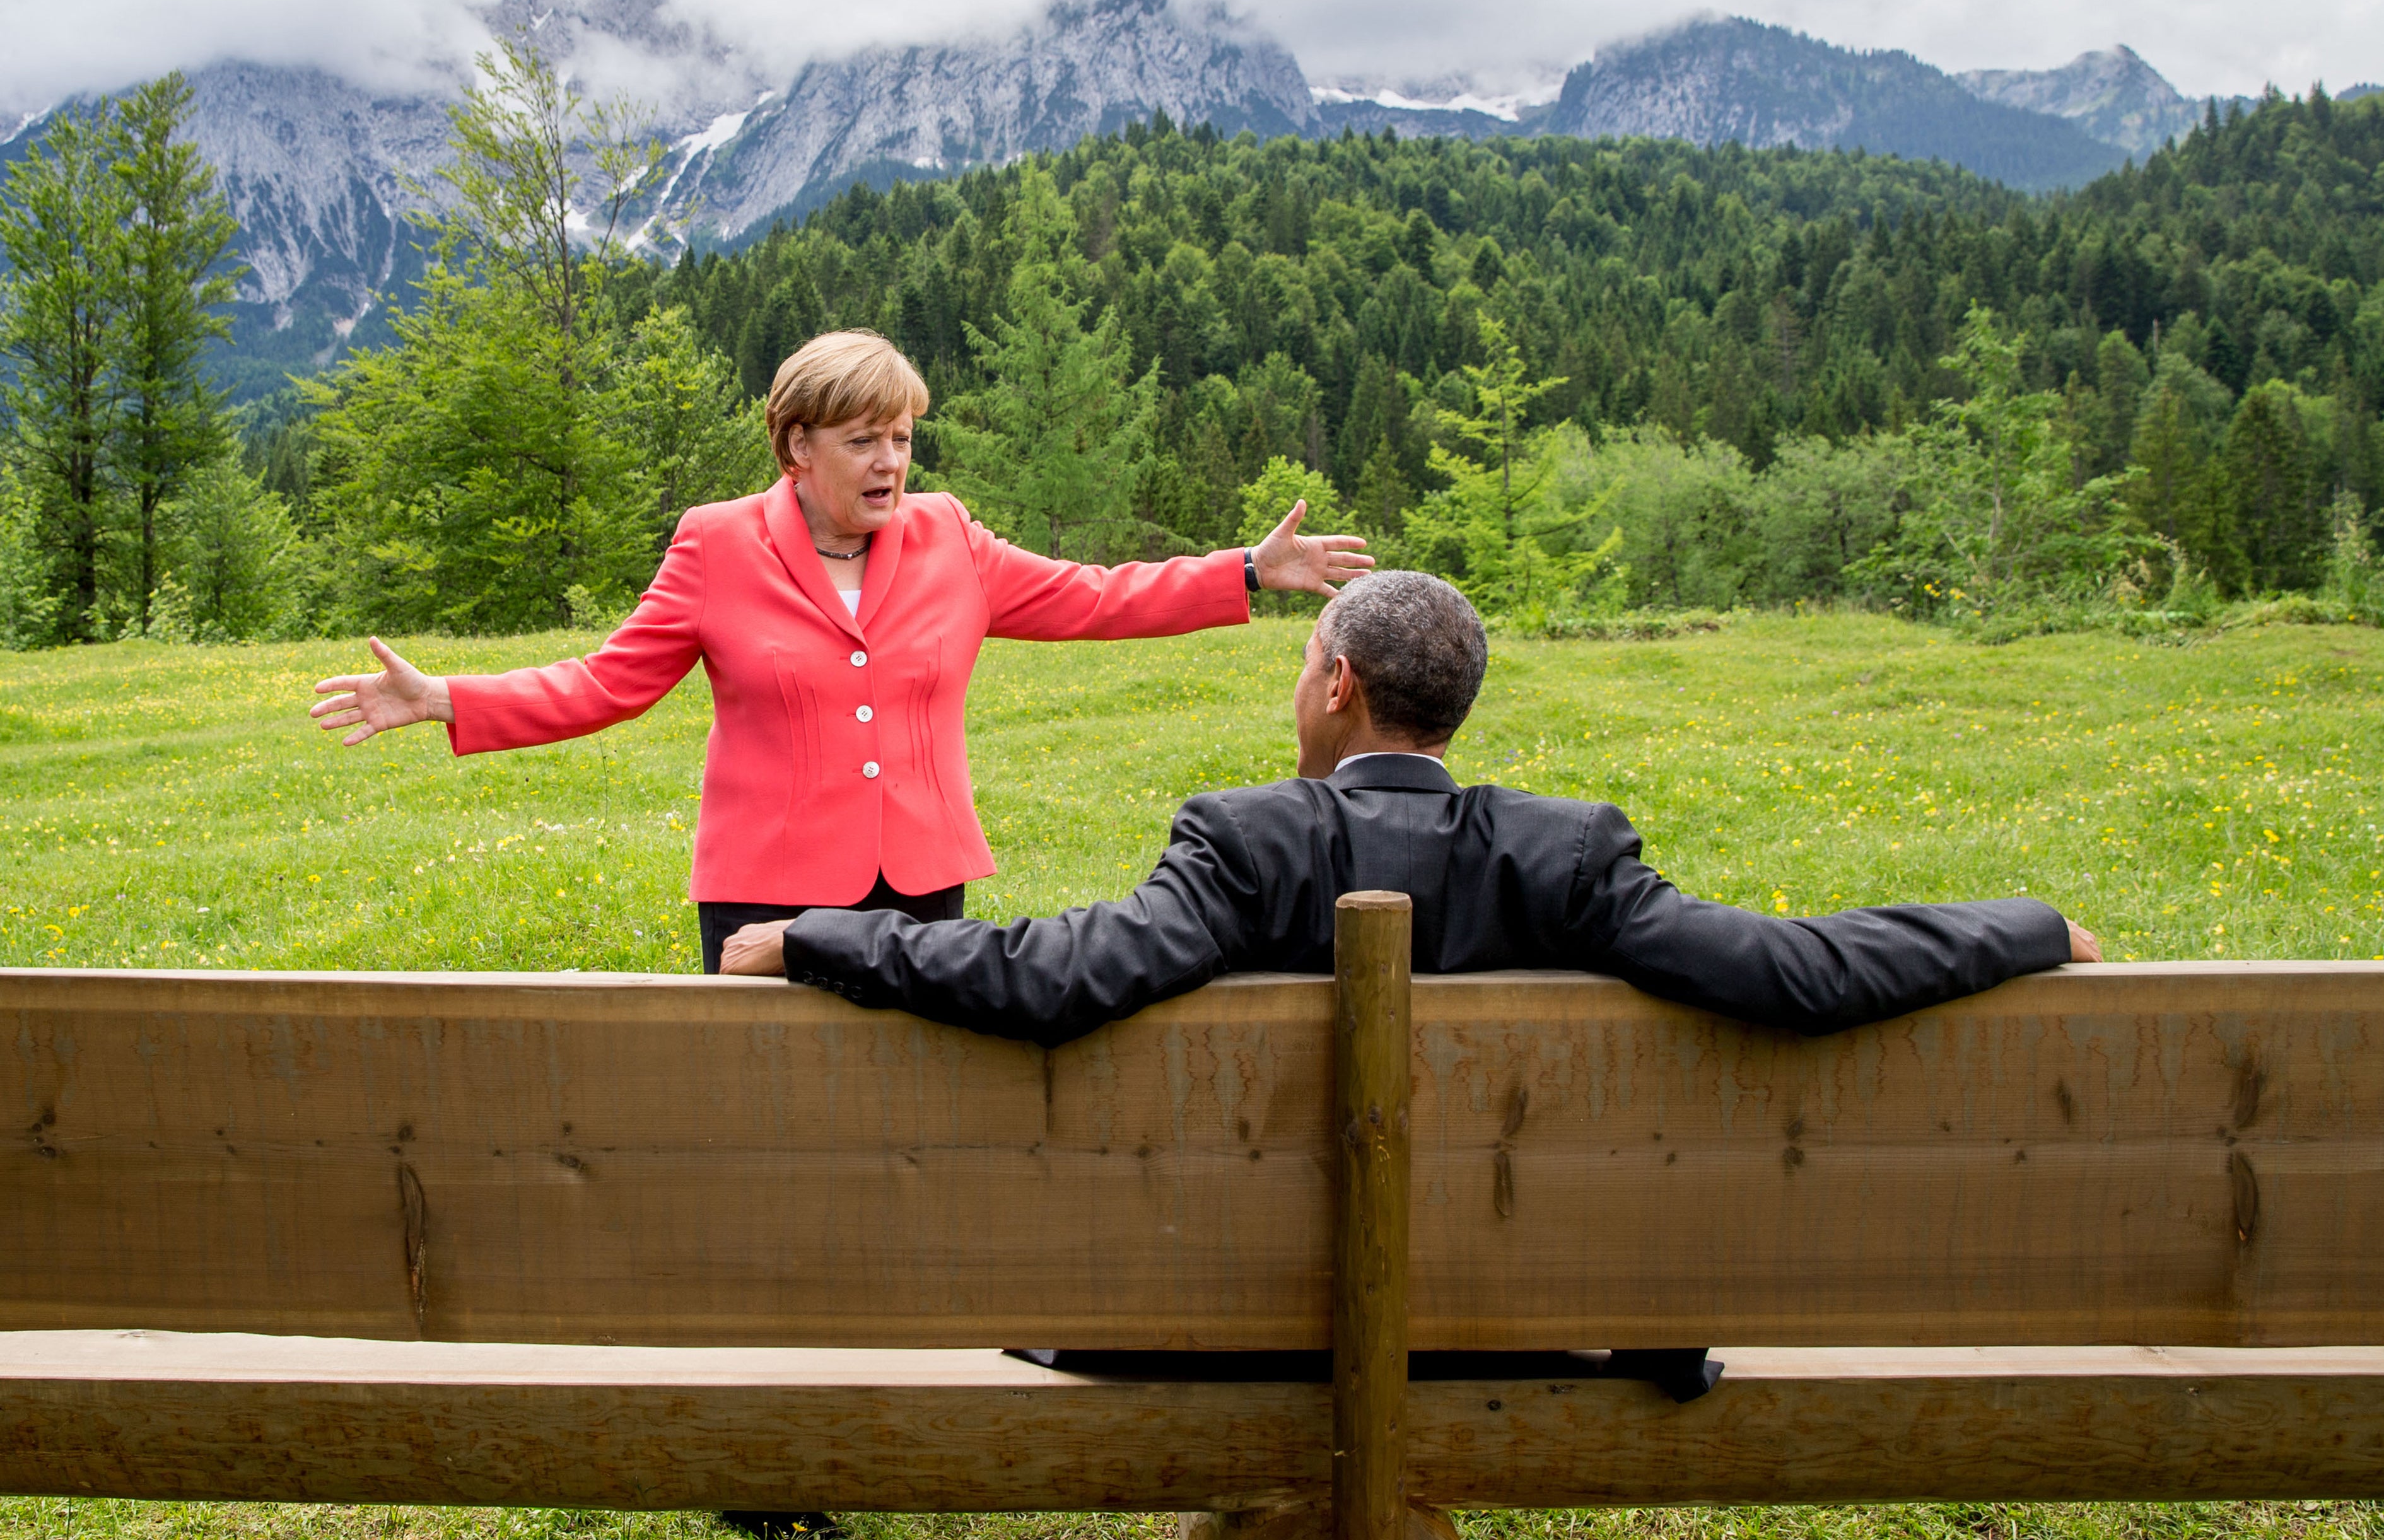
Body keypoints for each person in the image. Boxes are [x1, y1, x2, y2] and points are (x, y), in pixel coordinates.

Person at [307, 329, 1371, 972]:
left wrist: (1243, 570)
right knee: (769, 1121)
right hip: (764, 888)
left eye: (903, 438)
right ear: (797, 445)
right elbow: (606, 682)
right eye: (864, 440)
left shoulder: (951, 535)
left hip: (919, 882)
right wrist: (447, 697)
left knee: (911, 1110)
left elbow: (1091, 597)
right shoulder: (715, 544)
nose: (891, 462)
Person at [721, 569, 2098, 1042]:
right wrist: (2028, 924)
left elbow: (1056, 974)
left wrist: (821, 934)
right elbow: (1798, 969)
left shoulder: (1243, 841)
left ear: (1335, 683)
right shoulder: (1570, 854)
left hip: (1235, 1326)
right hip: (1525, 1316)